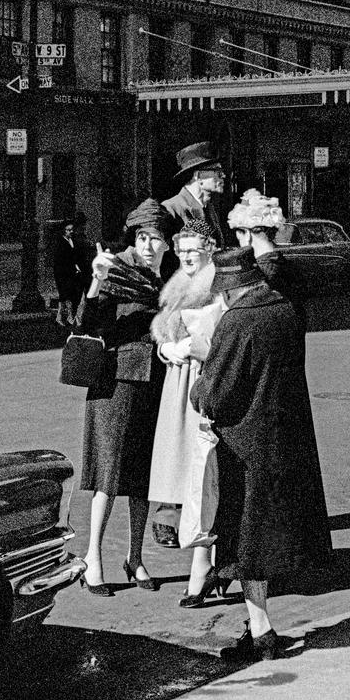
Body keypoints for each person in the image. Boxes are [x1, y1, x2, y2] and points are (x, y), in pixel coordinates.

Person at [191, 247, 332, 662]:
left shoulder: (237, 322)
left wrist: (201, 366)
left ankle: (263, 632)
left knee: (243, 542)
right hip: (284, 438)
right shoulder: (285, 310)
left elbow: (214, 396)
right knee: (259, 542)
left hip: (244, 447)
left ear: (231, 290)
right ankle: (259, 628)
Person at [78, 198, 171, 595]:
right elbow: (87, 321)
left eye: (156, 239)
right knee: (108, 476)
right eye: (143, 237)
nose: (149, 246)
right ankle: (92, 558)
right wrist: (97, 281)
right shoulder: (116, 268)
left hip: (154, 383)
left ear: (167, 243)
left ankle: (135, 558)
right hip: (115, 385)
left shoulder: (170, 277)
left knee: (142, 478)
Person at [148, 220, 226, 607]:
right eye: (181, 250)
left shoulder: (219, 285)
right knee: (184, 476)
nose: (186, 257)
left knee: (202, 474)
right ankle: (206, 561)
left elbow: (227, 341)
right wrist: (166, 350)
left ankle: (202, 567)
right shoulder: (178, 284)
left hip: (202, 383)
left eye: (193, 249)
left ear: (210, 247)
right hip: (176, 385)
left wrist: (192, 348)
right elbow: (164, 330)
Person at [155, 139, 227, 547]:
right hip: (180, 318)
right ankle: (169, 515)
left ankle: (196, 510)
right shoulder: (172, 210)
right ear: (199, 176)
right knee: (175, 430)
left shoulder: (206, 210)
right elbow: (169, 268)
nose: (221, 178)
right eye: (215, 172)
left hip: (205, 319)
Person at [162, 141, 226, 250]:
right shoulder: (170, 208)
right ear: (198, 176)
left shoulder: (209, 208)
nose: (223, 176)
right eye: (218, 172)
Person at [52, 218, 89, 328]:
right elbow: (61, 260)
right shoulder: (60, 243)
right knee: (65, 295)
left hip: (72, 272)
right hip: (63, 273)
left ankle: (64, 317)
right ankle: (67, 317)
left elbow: (75, 256)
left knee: (70, 295)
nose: (71, 232)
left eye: (72, 229)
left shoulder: (73, 241)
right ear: (64, 231)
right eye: (68, 230)